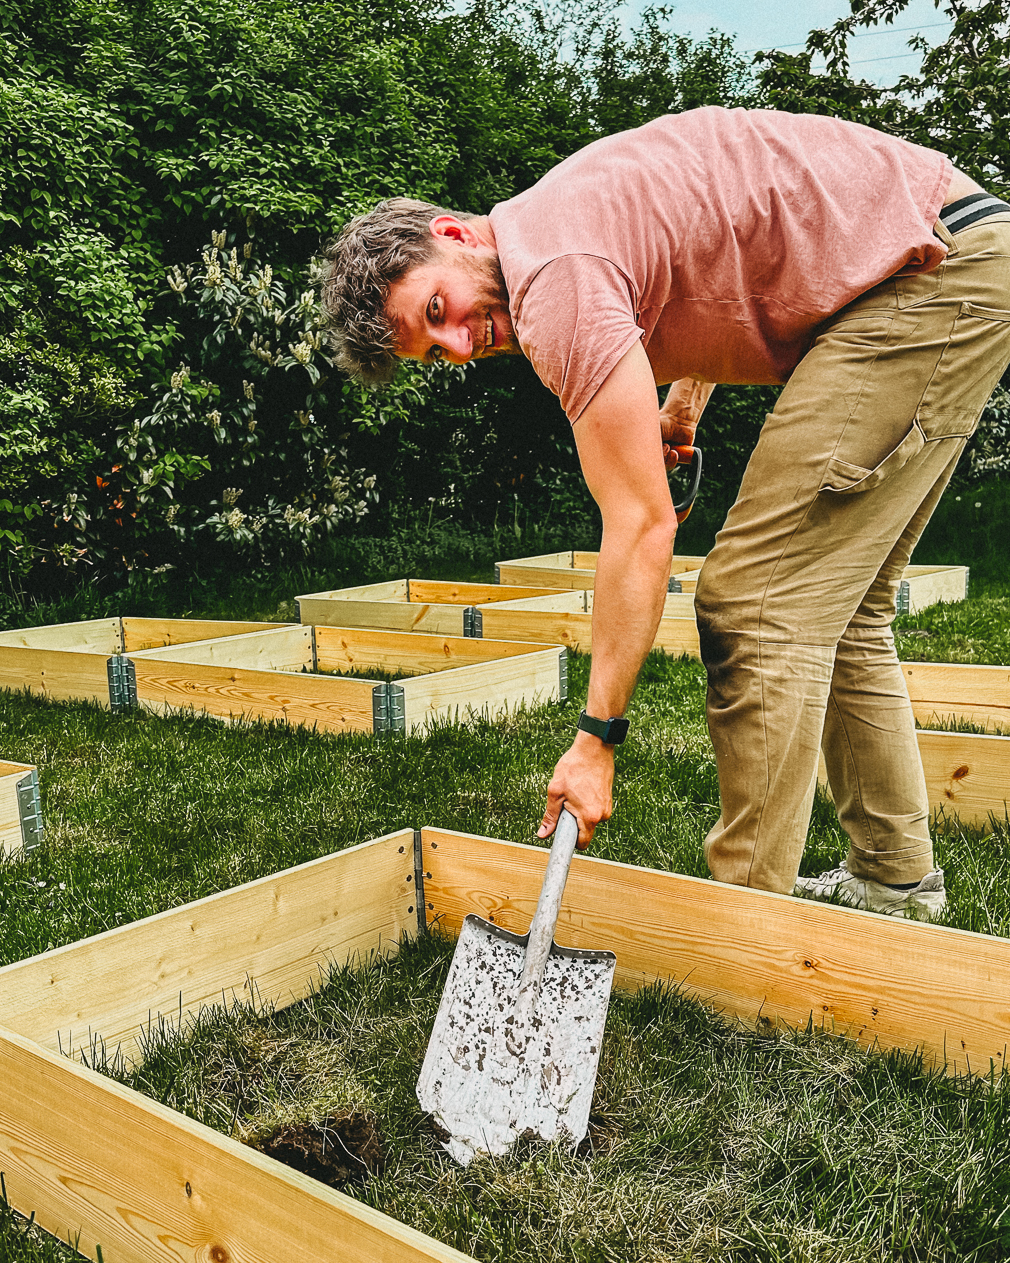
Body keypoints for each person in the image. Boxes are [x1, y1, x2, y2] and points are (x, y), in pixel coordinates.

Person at [321, 106, 1010, 918]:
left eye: (438, 311)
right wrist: (681, 409)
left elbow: (643, 526)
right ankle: (895, 879)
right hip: (956, 249)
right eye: (437, 352)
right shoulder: (563, 215)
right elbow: (725, 246)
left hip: (924, 272)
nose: (465, 346)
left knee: (755, 602)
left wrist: (595, 739)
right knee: (840, 604)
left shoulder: (555, 281)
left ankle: (744, 931)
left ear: (452, 235)